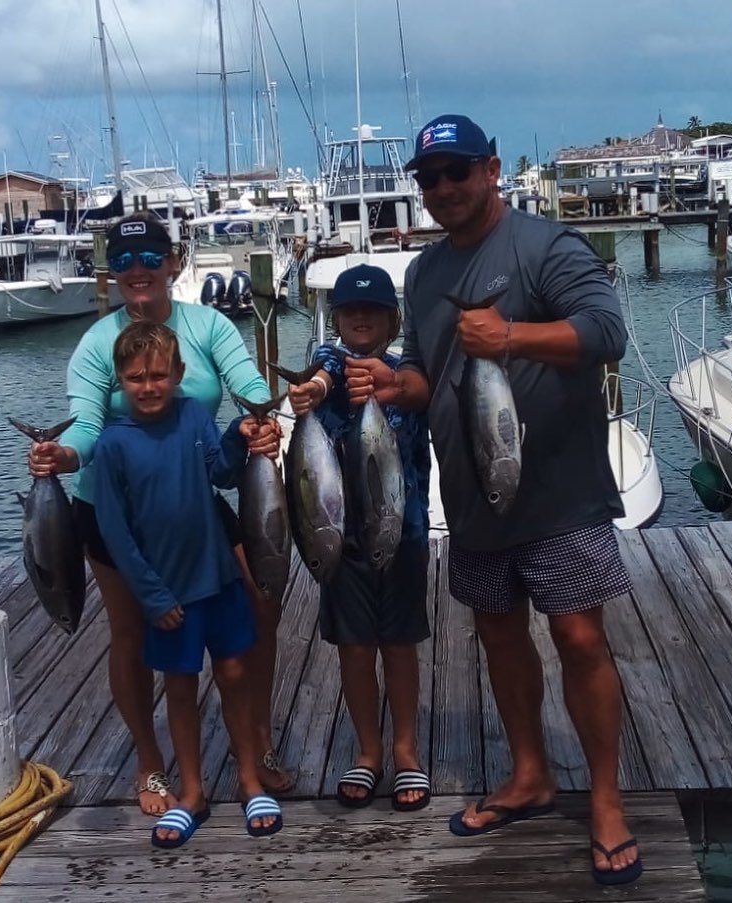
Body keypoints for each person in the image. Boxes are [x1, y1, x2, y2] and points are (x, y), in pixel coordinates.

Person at [343, 114, 642, 885]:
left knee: (579, 638)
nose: (442, 188)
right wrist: (392, 385)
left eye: (456, 171)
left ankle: (606, 800)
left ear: (492, 169)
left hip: (558, 493)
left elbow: (604, 331)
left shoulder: (546, 247)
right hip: (474, 497)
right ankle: (529, 773)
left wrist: (510, 336)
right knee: (500, 636)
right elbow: (428, 375)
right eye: (428, 178)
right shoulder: (423, 273)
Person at [27, 212, 293, 819]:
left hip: (194, 497)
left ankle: (257, 740)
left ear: (172, 262)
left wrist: (261, 418)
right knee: (133, 633)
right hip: (112, 506)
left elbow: (248, 382)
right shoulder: (99, 343)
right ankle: (151, 763)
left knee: (262, 603)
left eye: (149, 257)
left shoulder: (207, 325)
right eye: (122, 261)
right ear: (110, 271)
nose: (137, 271)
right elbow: (89, 425)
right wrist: (64, 455)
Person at [93, 320, 282, 845]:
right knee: (180, 689)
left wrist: (238, 435)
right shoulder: (113, 444)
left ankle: (248, 782)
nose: (149, 386)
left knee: (236, 675)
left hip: (218, 579)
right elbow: (115, 531)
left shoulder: (193, 415)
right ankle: (193, 791)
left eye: (158, 375)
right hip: (170, 596)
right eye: (136, 378)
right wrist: (153, 597)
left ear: (178, 374)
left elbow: (221, 472)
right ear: (120, 381)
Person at [287, 264, 432, 812]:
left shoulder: (404, 380)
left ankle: (405, 749)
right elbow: (323, 371)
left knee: (399, 643)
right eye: (350, 311)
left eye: (372, 311)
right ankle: (368, 751)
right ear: (337, 319)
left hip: (404, 531)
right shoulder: (326, 372)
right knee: (354, 647)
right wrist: (314, 389)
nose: (362, 318)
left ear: (394, 321)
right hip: (340, 542)